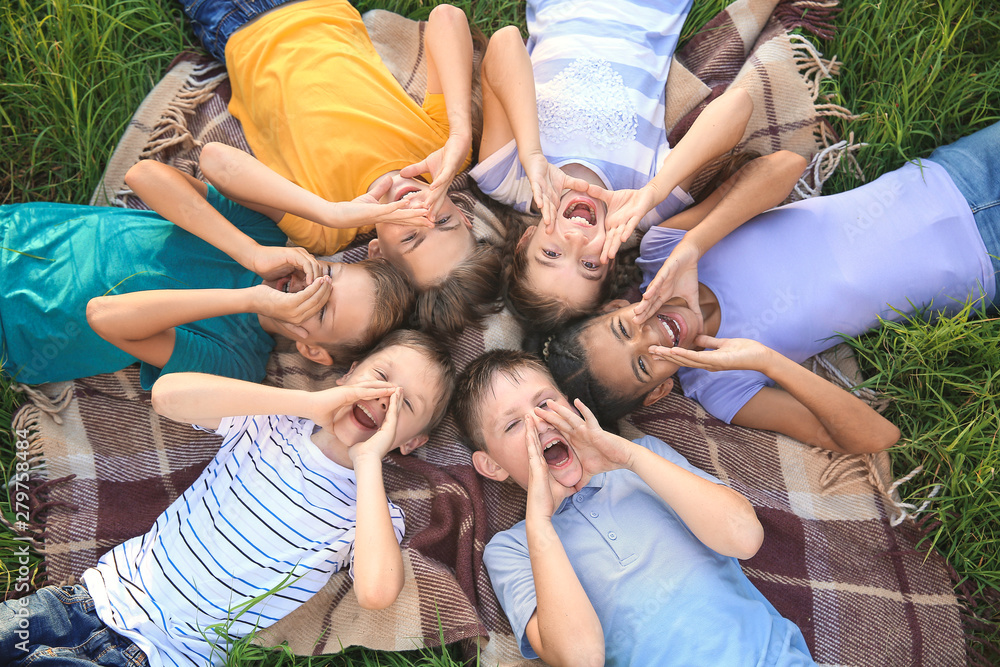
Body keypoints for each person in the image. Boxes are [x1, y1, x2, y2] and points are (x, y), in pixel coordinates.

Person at [0, 329, 455, 666]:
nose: (383, 401)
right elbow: (168, 395)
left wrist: (371, 460)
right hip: (89, 599)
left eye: (405, 406)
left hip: (160, 657)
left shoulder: (371, 511)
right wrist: (311, 404)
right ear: (351, 371)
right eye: (380, 379)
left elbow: (377, 592)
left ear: (411, 443)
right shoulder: (269, 422)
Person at [540, 121, 1000, 453]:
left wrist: (695, 245)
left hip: (951, 176)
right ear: (659, 391)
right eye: (644, 365)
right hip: (984, 265)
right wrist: (766, 360)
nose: (654, 338)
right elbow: (878, 437)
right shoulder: (721, 386)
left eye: (626, 329)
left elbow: (785, 166)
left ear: (616, 305)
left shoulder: (663, 250)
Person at [451, 349, 815, 666]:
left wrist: (628, 456)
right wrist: (542, 525)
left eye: (545, 403)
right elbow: (581, 658)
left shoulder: (645, 459)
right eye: (513, 424)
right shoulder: (512, 549)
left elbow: (745, 537)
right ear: (492, 466)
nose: (539, 422)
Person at [179, 0, 504, 332]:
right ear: (463, 215)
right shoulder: (444, 154)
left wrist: (328, 211)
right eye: (443, 220)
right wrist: (461, 131)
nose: (420, 209)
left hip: (236, 28)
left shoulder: (325, 229)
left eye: (410, 237)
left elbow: (216, 161)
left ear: (377, 253)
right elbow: (446, 16)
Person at [0, 156, 413, 387]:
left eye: (321, 309)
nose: (309, 285)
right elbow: (143, 176)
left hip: (19, 329)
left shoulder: (236, 362)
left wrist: (249, 299)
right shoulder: (259, 234)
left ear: (312, 351)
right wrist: (250, 253)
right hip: (22, 233)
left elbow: (104, 317)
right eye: (326, 275)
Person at [470, 0, 754, 328]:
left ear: (525, 240)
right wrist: (655, 190)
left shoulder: (508, 179)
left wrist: (532, 154)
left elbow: (504, 42)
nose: (575, 241)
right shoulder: (645, 206)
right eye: (590, 265)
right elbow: (738, 106)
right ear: (612, 261)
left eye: (551, 254)